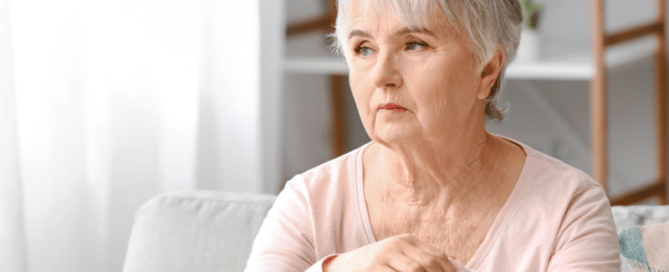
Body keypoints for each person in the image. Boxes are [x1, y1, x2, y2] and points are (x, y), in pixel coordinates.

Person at [246, 0, 621, 271]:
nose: (381, 75)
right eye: (364, 49)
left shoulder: (570, 209)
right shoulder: (309, 203)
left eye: (414, 44)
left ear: (486, 71)